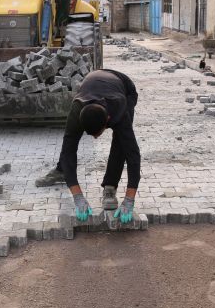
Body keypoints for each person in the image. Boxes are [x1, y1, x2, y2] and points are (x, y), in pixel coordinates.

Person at [35, 69, 140, 224]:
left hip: (125, 89)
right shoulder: (77, 111)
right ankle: (61, 171)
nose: (96, 138)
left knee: (121, 142)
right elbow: (68, 150)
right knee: (69, 141)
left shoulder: (119, 110)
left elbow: (133, 155)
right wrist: (78, 197)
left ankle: (110, 186)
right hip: (93, 87)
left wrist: (129, 199)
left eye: (97, 133)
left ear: (108, 120)